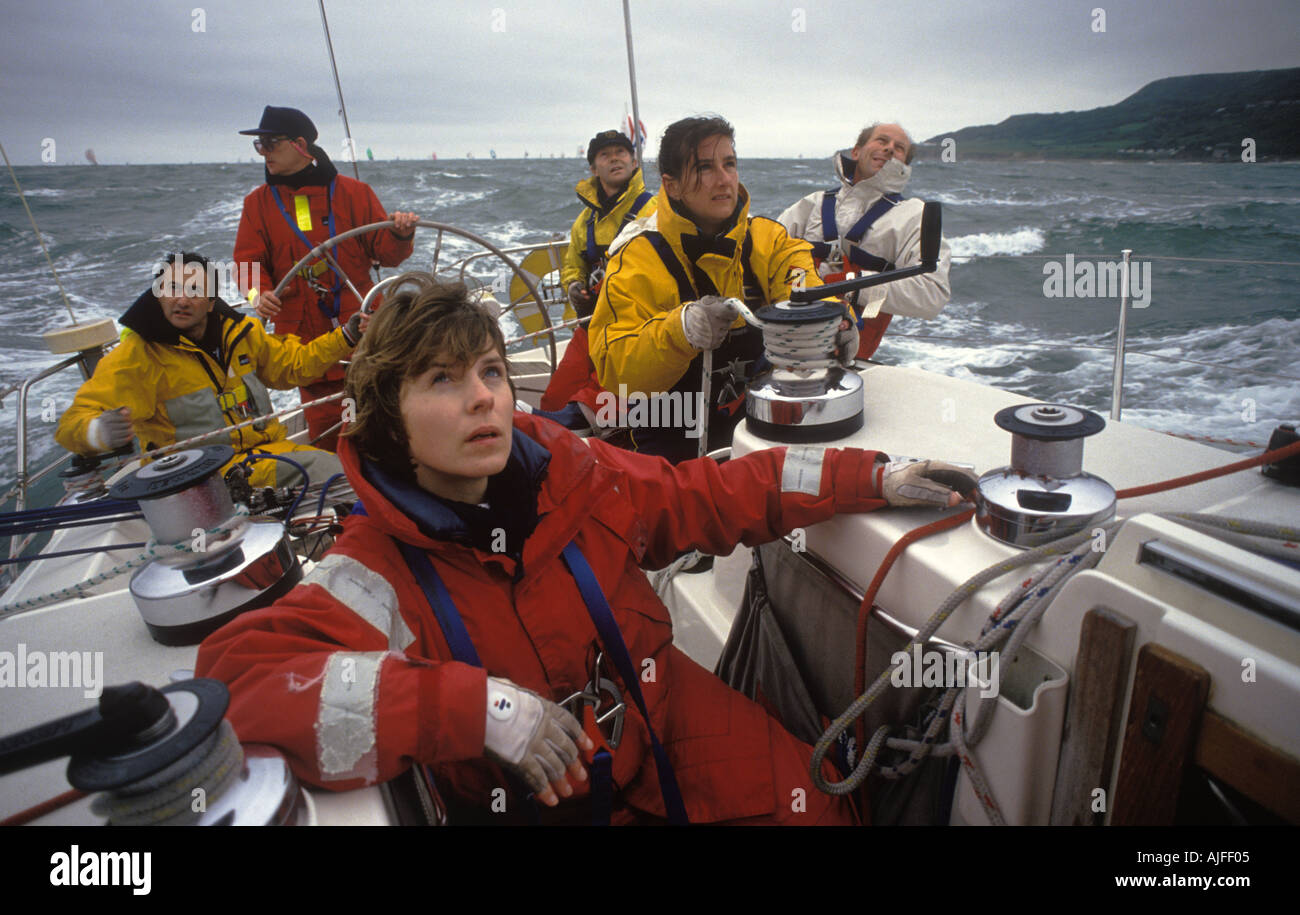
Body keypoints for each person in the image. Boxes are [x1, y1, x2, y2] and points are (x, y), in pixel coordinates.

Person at [195, 273, 978, 825]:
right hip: (534, 801)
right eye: (441, 378)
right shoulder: (374, 569)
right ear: (390, 420)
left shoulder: (577, 473)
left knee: (823, 802)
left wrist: (870, 475)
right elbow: (239, 682)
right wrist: (480, 711)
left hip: (661, 713)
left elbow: (709, 494)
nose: (482, 397)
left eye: (492, 371)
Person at [587, 115, 853, 463]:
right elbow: (615, 368)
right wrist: (680, 332)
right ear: (672, 185)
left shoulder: (768, 241)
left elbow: (801, 285)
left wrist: (832, 324)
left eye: (729, 164)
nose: (725, 178)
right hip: (667, 434)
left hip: (755, 427)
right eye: (705, 167)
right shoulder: (637, 259)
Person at [56, 252, 360, 489]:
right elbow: (72, 422)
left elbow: (292, 368)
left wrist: (345, 336)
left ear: (212, 301)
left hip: (265, 454)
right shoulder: (139, 356)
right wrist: (98, 432)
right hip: (197, 475)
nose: (182, 300)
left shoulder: (242, 333)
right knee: (335, 473)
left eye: (194, 290)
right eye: (171, 288)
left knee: (350, 467)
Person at [234, 105, 419, 449]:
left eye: (271, 144)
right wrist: (257, 294)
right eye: (259, 146)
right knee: (328, 432)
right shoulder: (256, 204)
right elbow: (246, 261)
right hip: (305, 343)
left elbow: (387, 255)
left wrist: (401, 234)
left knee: (387, 418)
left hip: (366, 329)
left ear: (301, 144)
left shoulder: (354, 193)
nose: (264, 153)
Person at [778, 123, 951, 360]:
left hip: (850, 348)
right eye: (881, 141)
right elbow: (769, 252)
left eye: (899, 148)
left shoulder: (913, 216)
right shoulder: (812, 204)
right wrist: (799, 284)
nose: (889, 149)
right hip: (783, 334)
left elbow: (933, 294)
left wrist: (854, 287)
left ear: (905, 165)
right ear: (857, 151)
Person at [537, 130, 656, 427]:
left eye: (621, 152)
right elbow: (573, 265)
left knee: (596, 402)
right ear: (593, 168)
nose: (614, 158)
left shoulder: (655, 211)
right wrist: (574, 286)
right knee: (554, 400)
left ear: (633, 161)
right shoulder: (584, 222)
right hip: (591, 326)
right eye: (605, 154)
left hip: (635, 327)